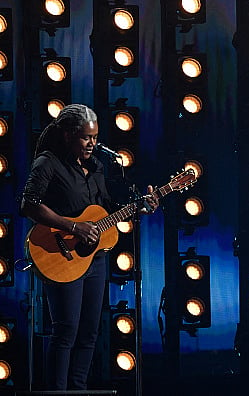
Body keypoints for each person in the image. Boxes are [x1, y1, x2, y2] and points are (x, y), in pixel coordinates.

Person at [20, 104, 158, 390]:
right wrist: (72, 227)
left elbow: (103, 211)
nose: (92, 143)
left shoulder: (96, 167)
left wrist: (138, 208)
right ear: (68, 135)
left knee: (89, 333)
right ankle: (57, 393)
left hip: (93, 259)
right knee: (65, 331)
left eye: (95, 137)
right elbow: (29, 204)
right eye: (85, 137)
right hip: (59, 253)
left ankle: (78, 390)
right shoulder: (48, 162)